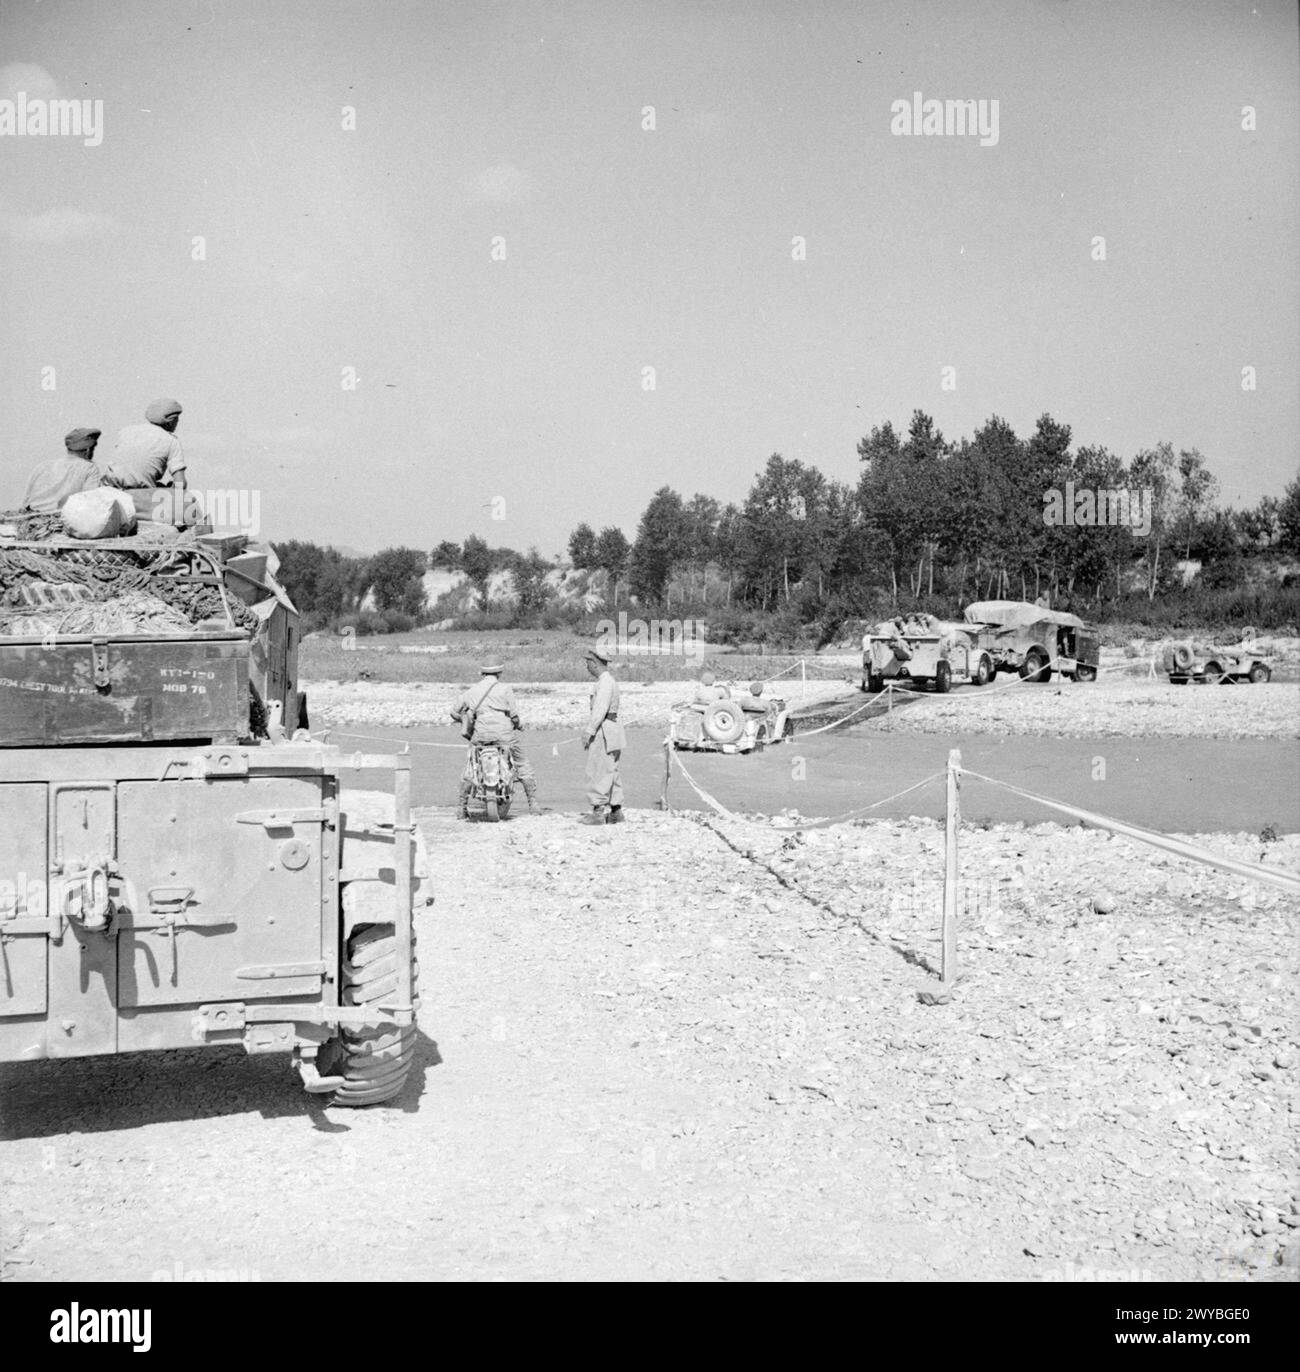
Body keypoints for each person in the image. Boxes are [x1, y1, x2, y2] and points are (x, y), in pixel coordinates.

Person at [450, 663, 538, 818]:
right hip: (504, 735)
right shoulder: (505, 689)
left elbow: (454, 712)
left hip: (481, 736)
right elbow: (514, 716)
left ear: (482, 673)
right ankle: (533, 803)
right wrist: (519, 725)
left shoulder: (472, 691)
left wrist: (465, 719)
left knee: (471, 765)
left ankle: (461, 807)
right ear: (500, 673)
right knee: (521, 762)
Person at [101, 398, 187, 499]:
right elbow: (180, 484)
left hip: (108, 486)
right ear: (170, 421)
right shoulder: (171, 441)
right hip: (140, 494)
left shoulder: (126, 431)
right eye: (177, 419)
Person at [580, 644, 625, 825]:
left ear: (595, 663)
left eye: (588, 663)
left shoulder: (605, 683)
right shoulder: (608, 681)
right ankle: (616, 811)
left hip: (604, 729)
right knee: (611, 770)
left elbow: (600, 709)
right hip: (612, 728)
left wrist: (589, 731)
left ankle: (598, 812)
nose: (587, 667)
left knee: (598, 769)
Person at [21, 428, 103, 512]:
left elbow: (25, 501)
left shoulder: (42, 466)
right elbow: (90, 502)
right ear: (88, 450)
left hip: (32, 519)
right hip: (62, 519)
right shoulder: (89, 468)